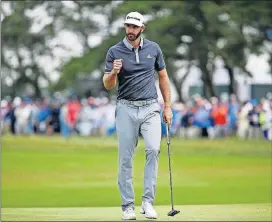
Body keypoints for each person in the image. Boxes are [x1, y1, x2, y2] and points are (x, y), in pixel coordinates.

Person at [103, 11, 172, 220]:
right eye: (127, 26)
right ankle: (128, 205)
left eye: (134, 27)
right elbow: (107, 85)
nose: (130, 30)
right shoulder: (114, 51)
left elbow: (163, 76)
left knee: (153, 149)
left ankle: (148, 202)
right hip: (125, 107)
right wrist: (114, 72)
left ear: (142, 28)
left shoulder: (154, 49)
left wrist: (167, 106)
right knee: (126, 158)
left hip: (151, 107)